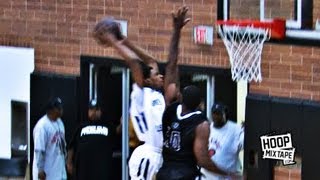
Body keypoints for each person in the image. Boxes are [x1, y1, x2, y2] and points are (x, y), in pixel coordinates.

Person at [93, 6, 190, 180]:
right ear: (146, 80)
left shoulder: (158, 95)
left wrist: (124, 40)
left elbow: (155, 61)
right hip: (149, 154)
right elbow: (135, 63)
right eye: (155, 75)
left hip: (159, 154)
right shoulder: (141, 92)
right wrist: (113, 41)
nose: (159, 75)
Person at [157, 85, 226, 180]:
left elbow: (171, 86)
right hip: (185, 175)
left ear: (181, 97)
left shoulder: (170, 110)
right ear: (200, 103)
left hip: (163, 173)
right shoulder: (200, 123)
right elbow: (202, 160)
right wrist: (225, 173)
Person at [66, 99, 118, 180]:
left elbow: (117, 132)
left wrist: (123, 123)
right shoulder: (81, 127)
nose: (93, 112)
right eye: (91, 109)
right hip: (83, 171)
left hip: (101, 171)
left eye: (96, 109)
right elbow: (72, 146)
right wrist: (69, 163)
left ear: (100, 111)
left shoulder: (107, 126)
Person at [201, 103, 244, 179]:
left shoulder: (235, 129)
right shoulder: (207, 128)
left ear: (225, 115)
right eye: (214, 113)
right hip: (207, 176)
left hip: (226, 176)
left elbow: (244, 144)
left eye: (219, 114)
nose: (216, 116)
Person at [32, 97, 67, 180]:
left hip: (59, 173)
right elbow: (39, 150)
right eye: (58, 108)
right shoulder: (42, 126)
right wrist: (40, 170)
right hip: (47, 174)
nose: (61, 110)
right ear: (51, 110)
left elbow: (63, 146)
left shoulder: (60, 123)